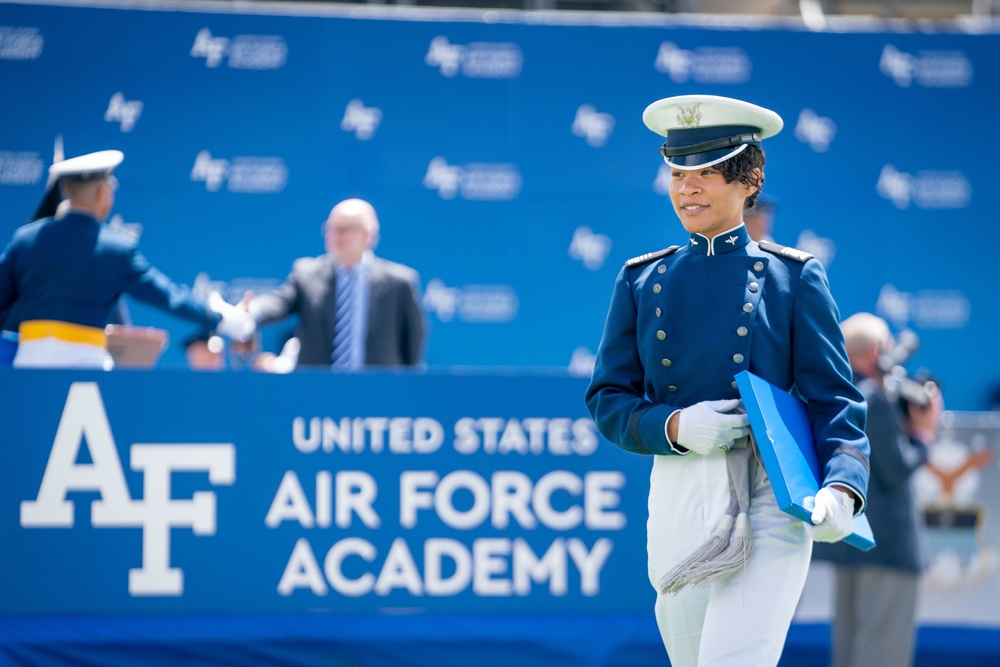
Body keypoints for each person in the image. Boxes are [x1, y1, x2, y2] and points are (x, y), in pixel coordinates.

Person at [585, 94, 870, 667]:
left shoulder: (793, 277)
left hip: (768, 494)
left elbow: (835, 398)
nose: (687, 188)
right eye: (677, 174)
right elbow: (607, 398)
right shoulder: (642, 279)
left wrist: (844, 485)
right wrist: (672, 425)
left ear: (747, 181)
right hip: (678, 496)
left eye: (707, 174)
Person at [0, 149, 253, 369]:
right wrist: (222, 319)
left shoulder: (26, 239)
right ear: (102, 192)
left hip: (28, 366)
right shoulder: (116, 249)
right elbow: (169, 297)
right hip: (85, 367)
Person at [813, 312, 941, 667]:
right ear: (876, 351)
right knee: (882, 653)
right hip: (888, 550)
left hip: (850, 542)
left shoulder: (835, 398)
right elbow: (896, 469)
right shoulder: (874, 398)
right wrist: (924, 433)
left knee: (850, 651)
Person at [249, 198, 424, 370]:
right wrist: (250, 311)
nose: (335, 236)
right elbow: (279, 302)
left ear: (368, 235)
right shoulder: (306, 274)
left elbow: (412, 345)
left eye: (345, 229)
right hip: (318, 391)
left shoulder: (400, 282)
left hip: (378, 392)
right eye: (331, 228)